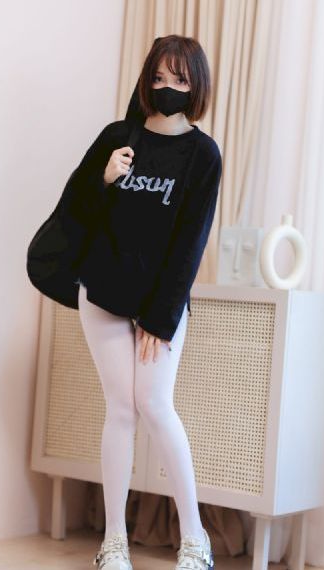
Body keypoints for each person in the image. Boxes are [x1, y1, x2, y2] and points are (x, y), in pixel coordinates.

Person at [72, 34, 222, 570]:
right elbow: (76, 213)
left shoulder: (202, 154)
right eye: (158, 77)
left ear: (195, 85)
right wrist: (103, 178)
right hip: (104, 290)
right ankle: (113, 543)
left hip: (160, 300)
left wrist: (160, 318)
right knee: (120, 408)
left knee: (155, 404)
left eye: (179, 79)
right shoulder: (120, 137)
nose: (166, 88)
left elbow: (190, 245)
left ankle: (195, 541)